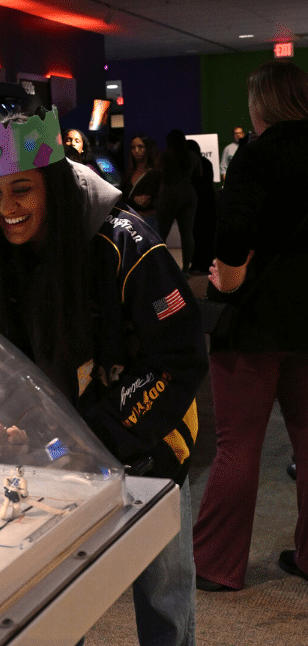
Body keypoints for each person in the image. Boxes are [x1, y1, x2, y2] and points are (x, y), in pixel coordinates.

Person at [0, 108, 206, 646]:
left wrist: (88, 435)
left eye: (22, 189)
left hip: (147, 450)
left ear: (56, 181)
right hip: (43, 457)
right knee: (54, 605)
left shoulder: (128, 241)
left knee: (164, 599)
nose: (7, 208)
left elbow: (179, 357)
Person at [192, 60, 308, 590]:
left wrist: (232, 282)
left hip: (255, 321)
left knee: (238, 443)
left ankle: (218, 566)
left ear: (265, 103)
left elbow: (232, 233)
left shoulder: (255, 156)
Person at [157, 129, 201, 273]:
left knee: (162, 233)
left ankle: (161, 267)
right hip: (188, 194)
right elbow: (199, 176)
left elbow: (159, 173)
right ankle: (186, 270)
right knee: (187, 234)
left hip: (168, 194)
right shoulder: (192, 156)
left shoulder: (165, 155)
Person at [119, 133, 162, 232]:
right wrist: (133, 200)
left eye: (140, 147)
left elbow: (146, 202)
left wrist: (129, 201)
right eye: (133, 147)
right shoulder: (128, 174)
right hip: (129, 221)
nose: (136, 151)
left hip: (147, 221)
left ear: (147, 148)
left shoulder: (155, 174)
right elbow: (120, 199)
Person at [186, 139, 216, 274]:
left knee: (197, 234)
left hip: (199, 204)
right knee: (205, 235)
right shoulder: (206, 162)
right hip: (208, 203)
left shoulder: (190, 164)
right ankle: (205, 264)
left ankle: (198, 264)